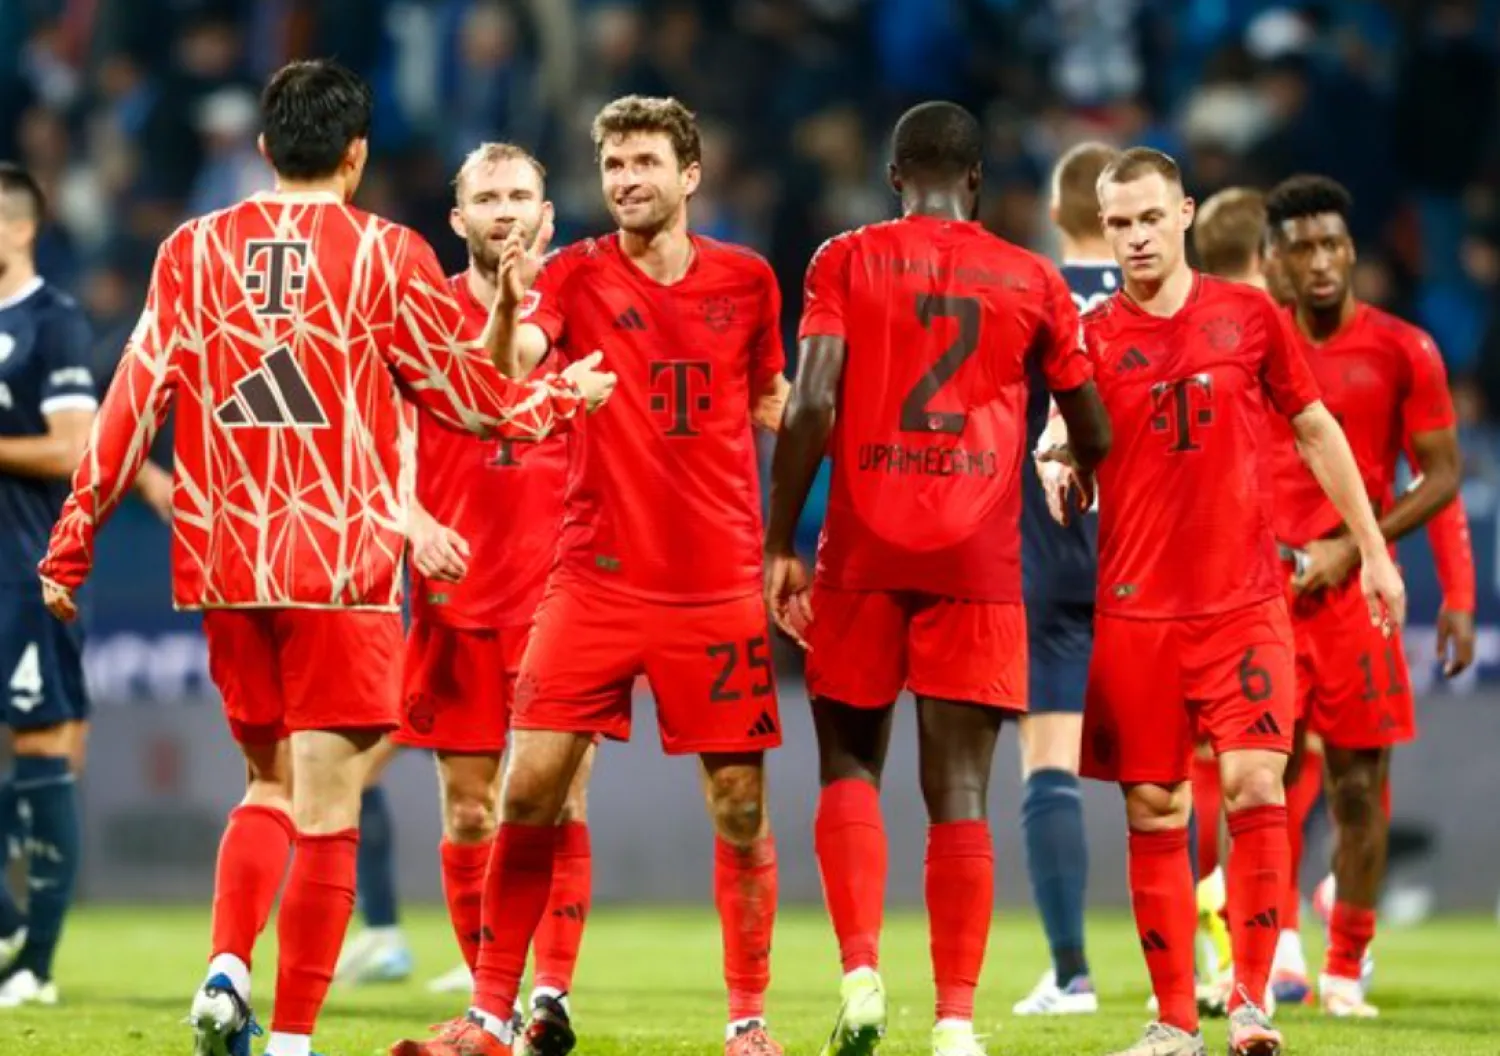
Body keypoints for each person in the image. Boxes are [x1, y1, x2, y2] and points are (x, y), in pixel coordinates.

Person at [37, 59, 613, 1056]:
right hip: (338, 567)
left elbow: (131, 407)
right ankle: (295, 1039)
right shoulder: (388, 255)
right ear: (357, 155)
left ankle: (225, 968)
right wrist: (564, 397)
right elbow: (473, 400)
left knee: (264, 786)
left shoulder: (190, 251)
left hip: (227, 566)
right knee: (329, 808)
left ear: (264, 151)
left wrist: (71, 547)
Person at [393, 95, 790, 1056]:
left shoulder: (750, 282)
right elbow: (511, 366)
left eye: (645, 163)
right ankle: (490, 1018)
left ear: (689, 175)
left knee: (739, 808)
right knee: (526, 792)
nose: (625, 181)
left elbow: (774, 398)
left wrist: (830, 490)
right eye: (613, 165)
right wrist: (498, 314)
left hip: (716, 584)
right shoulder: (569, 274)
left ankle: (748, 1022)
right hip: (594, 581)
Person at [765, 103, 1110, 1056]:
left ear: (893, 175)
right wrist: (1071, 458)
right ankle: (955, 1022)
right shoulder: (1034, 278)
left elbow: (813, 403)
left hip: (863, 551)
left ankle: (862, 972)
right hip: (978, 559)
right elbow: (1096, 425)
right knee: (960, 793)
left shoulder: (844, 259)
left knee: (848, 769)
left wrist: (777, 544)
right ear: (975, 182)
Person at [1043, 147, 1404, 1056]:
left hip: (1243, 603)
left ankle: (1249, 1002)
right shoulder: (1088, 339)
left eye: (1149, 219)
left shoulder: (1248, 318)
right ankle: (1172, 1021)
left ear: (1186, 214)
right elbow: (1061, 432)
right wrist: (1059, 467)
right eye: (1118, 222)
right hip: (1135, 611)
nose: (1133, 237)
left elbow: (1315, 428)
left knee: (1253, 783)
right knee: (1156, 810)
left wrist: (1371, 549)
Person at [402, 142, 598, 1051]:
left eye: (523, 197)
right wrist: (408, 521)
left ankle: (550, 1000)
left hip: (560, 592)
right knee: (472, 808)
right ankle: (496, 1005)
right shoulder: (419, 311)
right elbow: (379, 442)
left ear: (549, 217)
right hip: (453, 595)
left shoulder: (573, 305)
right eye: (488, 198)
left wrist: (518, 298)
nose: (508, 212)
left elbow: (511, 357)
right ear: (459, 219)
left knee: (556, 801)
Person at [1264, 174, 1465, 1019]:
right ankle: (1262, 955)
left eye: (1333, 244)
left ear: (1353, 251)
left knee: (1355, 789)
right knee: (1255, 788)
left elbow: (1444, 474)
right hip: (1264, 596)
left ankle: (1345, 967)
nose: (1320, 261)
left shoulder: (1403, 349)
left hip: (1355, 602)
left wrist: (1364, 548)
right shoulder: (1252, 342)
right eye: (1302, 246)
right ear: (1272, 258)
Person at [0, 162, 168, 1009]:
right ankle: (6, 926)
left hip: (24, 573)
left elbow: (72, 448)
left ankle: (35, 962)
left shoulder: (52, 323)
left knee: (44, 750)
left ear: (22, 227)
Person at [1010, 139, 1120, 1018]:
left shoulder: (1030, 299)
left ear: (1055, 214)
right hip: (1148, 565)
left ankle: (1072, 974)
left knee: (1049, 763)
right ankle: (1214, 962)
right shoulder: (1167, 300)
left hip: (1045, 561)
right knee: (1182, 775)